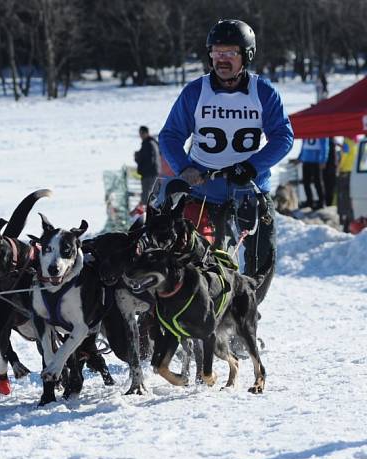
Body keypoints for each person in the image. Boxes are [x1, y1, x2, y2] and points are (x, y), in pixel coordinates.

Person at [159, 19, 294, 279]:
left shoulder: (263, 92)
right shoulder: (195, 92)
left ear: (247, 56)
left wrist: (253, 166)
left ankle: (246, 309)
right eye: (217, 52)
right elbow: (170, 135)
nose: (222, 59)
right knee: (188, 263)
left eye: (230, 53)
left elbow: (283, 137)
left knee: (261, 263)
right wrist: (184, 168)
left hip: (250, 190)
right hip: (203, 191)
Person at [298, 138, 328, 210]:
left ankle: (322, 202)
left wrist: (323, 159)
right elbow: (303, 145)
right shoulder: (306, 132)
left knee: (317, 182)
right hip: (306, 160)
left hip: (316, 161)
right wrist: (300, 157)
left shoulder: (321, 132)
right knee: (306, 182)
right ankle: (309, 201)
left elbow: (325, 147)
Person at [134, 125, 160, 204]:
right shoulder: (152, 143)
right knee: (153, 195)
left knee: (147, 197)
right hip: (153, 173)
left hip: (148, 175)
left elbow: (149, 159)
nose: (140, 136)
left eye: (141, 133)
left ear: (145, 133)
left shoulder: (148, 144)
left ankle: (147, 214)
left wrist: (138, 157)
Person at [337, 136, 359, 231]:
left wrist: (338, 168)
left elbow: (344, 156)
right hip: (353, 173)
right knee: (351, 198)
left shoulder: (347, 141)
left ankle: (346, 224)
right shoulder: (356, 142)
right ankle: (351, 221)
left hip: (345, 172)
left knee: (343, 197)